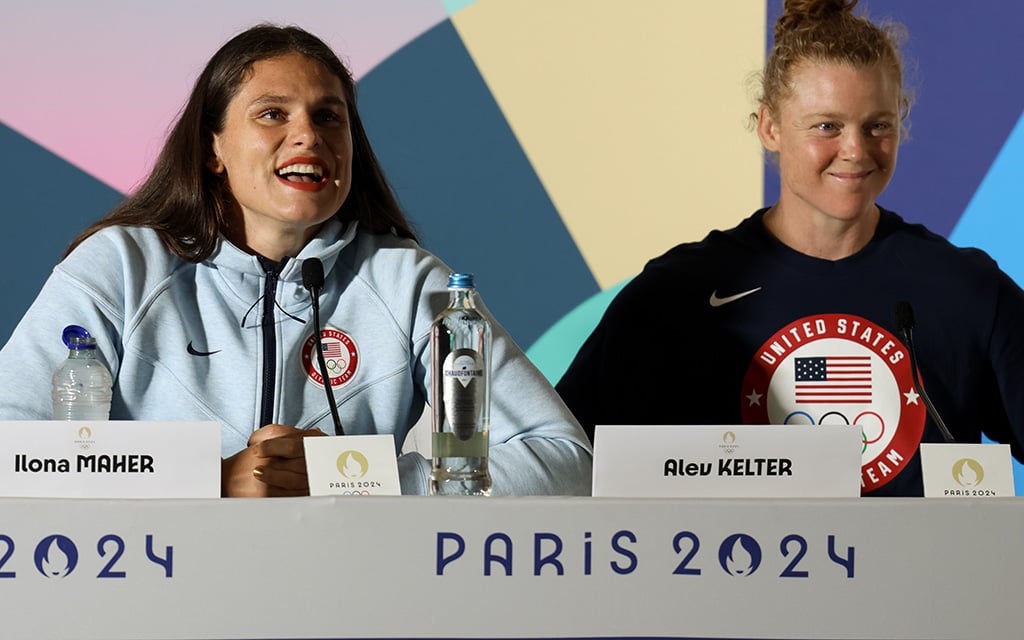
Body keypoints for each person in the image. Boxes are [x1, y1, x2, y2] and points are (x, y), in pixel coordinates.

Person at [0, 24, 592, 497]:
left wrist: (353, 477)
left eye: (329, 116)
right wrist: (208, 481)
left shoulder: (409, 283)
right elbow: (11, 450)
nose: (308, 135)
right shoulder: (122, 266)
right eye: (272, 114)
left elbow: (566, 463)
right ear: (213, 148)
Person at [556, 0, 1024, 497]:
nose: (855, 150)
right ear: (770, 127)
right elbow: (559, 459)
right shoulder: (678, 293)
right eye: (827, 126)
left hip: (929, 575)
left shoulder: (965, 288)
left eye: (877, 125)